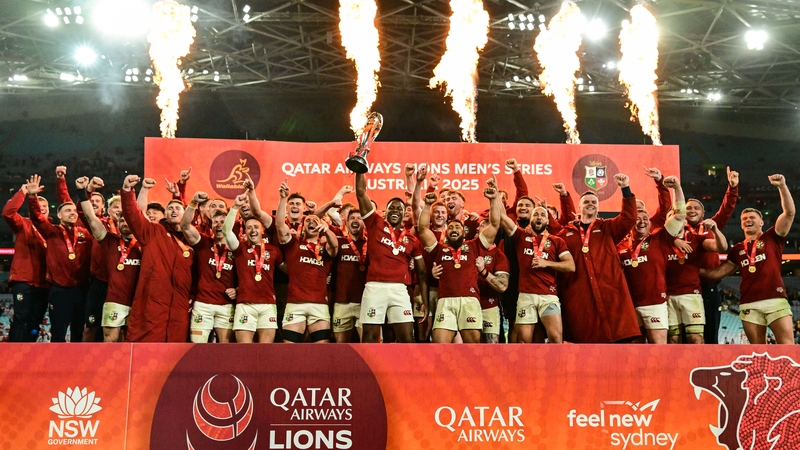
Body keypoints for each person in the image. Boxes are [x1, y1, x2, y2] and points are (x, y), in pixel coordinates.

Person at [701, 174, 795, 344]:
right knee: (758, 350)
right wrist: (691, 269)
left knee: (787, 346)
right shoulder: (737, 250)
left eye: (752, 218)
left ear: (761, 223)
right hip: (749, 304)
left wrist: (782, 186)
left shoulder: (772, 237)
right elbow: (717, 273)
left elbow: (789, 213)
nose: (748, 220)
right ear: (741, 224)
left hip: (775, 300)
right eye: (744, 219)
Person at [557, 174, 639, 343]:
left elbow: (629, 218)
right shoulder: (566, 234)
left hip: (610, 290)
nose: (591, 204)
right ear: (579, 207)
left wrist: (625, 188)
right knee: (585, 343)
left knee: (618, 341)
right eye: (586, 202)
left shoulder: (608, 227)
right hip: (579, 293)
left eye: (594, 202)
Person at [419, 184, 502, 343]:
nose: (454, 229)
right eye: (451, 228)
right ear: (446, 233)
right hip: (445, 300)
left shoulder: (474, 246)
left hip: (469, 301)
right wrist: (428, 205)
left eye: (458, 227)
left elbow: (494, 225)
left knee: (472, 347)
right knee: (439, 346)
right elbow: (423, 229)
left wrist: (493, 200)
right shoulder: (440, 249)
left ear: (464, 233)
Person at [355, 171, 429, 343]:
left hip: (399, 289)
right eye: (392, 208)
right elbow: (360, 193)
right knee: (370, 336)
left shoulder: (412, 240)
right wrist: (359, 169)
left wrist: (425, 302)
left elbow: (422, 273)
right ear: (385, 211)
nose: (395, 210)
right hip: (374, 287)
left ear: (404, 214)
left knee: (406, 338)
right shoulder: (375, 223)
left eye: (399, 209)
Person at [120, 174, 194, 342]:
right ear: (164, 215)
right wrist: (127, 191)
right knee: (147, 344)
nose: (174, 211)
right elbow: (133, 216)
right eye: (170, 208)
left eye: (178, 208)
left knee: (176, 350)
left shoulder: (194, 239)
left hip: (181, 304)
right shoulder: (154, 232)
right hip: (153, 301)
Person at [618, 176, 686, 344]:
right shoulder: (619, 245)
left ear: (650, 223)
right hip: (630, 304)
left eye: (645, 219)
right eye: (637, 219)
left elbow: (679, 215)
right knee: (635, 351)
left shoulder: (660, 239)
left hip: (655, 303)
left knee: (658, 349)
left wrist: (677, 188)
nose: (641, 222)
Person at [27, 174, 92, 342]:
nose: (72, 213)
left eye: (74, 211)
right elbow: (37, 218)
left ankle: (77, 359)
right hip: (59, 290)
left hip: (81, 289)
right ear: (59, 216)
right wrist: (32, 197)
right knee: (58, 332)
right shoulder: (52, 231)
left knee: (79, 332)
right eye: (67, 211)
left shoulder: (86, 234)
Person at [500, 201, 575, 343]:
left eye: (542, 215)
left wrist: (546, 263)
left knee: (556, 338)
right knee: (524, 340)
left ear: (548, 220)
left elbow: (570, 266)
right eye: (535, 214)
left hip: (548, 295)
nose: (539, 217)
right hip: (526, 295)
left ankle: (554, 360)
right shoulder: (521, 236)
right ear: (530, 218)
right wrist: (495, 197)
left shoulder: (557, 241)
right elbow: (503, 217)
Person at [77, 177, 141, 342]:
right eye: (121, 218)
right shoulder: (109, 239)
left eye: (128, 218)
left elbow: (140, 211)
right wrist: (82, 192)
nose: (125, 222)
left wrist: (141, 189)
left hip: (136, 295)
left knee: (129, 338)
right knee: (98, 332)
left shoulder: (144, 241)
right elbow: (90, 217)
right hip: (106, 287)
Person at [276, 179, 338, 343]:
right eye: (308, 221)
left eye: (315, 221)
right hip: (295, 304)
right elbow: (280, 225)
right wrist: (283, 198)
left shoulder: (325, 247)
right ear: (302, 226)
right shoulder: (293, 244)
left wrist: (328, 231)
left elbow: (335, 247)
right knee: (289, 348)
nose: (311, 222)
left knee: (321, 348)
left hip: (319, 304)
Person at [223, 193, 283, 343]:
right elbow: (226, 231)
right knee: (244, 351)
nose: (252, 230)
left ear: (263, 230)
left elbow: (290, 270)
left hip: (268, 304)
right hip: (245, 304)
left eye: (256, 227)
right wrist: (235, 207)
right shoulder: (239, 248)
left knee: (266, 351)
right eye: (249, 227)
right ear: (245, 231)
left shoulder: (274, 250)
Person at [182, 192, 237, 343]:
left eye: (223, 222)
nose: (219, 225)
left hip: (226, 305)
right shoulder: (203, 242)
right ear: (211, 225)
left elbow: (247, 274)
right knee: (197, 347)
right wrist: (193, 203)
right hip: (203, 304)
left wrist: (238, 289)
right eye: (215, 222)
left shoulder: (236, 248)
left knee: (225, 350)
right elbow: (185, 225)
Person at [665, 213, 727, 344]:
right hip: (668, 296)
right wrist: (673, 239)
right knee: (673, 339)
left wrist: (715, 230)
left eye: (678, 217)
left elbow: (721, 247)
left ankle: (699, 359)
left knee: (696, 338)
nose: (675, 220)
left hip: (691, 295)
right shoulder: (661, 242)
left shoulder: (696, 239)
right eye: (671, 217)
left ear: (685, 221)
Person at [693, 166, 739, 344]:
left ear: (703, 213)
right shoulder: (676, 231)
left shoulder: (710, 225)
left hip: (708, 288)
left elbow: (726, 210)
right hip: (684, 289)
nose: (692, 210)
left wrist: (732, 188)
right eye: (689, 208)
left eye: (696, 208)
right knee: (687, 337)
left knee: (710, 335)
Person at [3, 182, 49, 342]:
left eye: (45, 206)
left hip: (44, 284)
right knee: (21, 318)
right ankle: (13, 352)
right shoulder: (23, 224)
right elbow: (8, 213)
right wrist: (23, 191)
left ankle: (30, 351)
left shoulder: (52, 230)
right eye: (39, 205)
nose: (42, 208)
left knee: (35, 321)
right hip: (23, 280)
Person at [331, 209, 367, 343]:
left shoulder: (371, 244)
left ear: (364, 223)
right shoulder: (338, 242)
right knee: (340, 347)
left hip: (365, 302)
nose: (355, 221)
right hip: (342, 302)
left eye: (359, 218)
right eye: (352, 218)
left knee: (368, 346)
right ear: (346, 223)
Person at [473, 218, 510, 343]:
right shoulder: (467, 248)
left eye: (482, 225)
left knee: (491, 347)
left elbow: (502, 286)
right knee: (468, 347)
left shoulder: (499, 256)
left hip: (489, 306)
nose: (477, 228)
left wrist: (483, 272)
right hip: (466, 305)